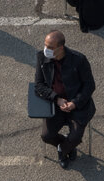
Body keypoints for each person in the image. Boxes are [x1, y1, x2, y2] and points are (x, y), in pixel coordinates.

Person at [34, 31, 96, 169]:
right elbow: (39, 85)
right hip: (55, 105)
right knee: (46, 136)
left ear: (60, 48)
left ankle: (63, 150)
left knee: (75, 137)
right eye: (45, 45)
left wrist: (75, 102)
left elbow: (89, 85)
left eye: (50, 47)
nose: (46, 50)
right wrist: (57, 99)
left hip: (78, 105)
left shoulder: (79, 60)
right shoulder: (41, 58)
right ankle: (67, 146)